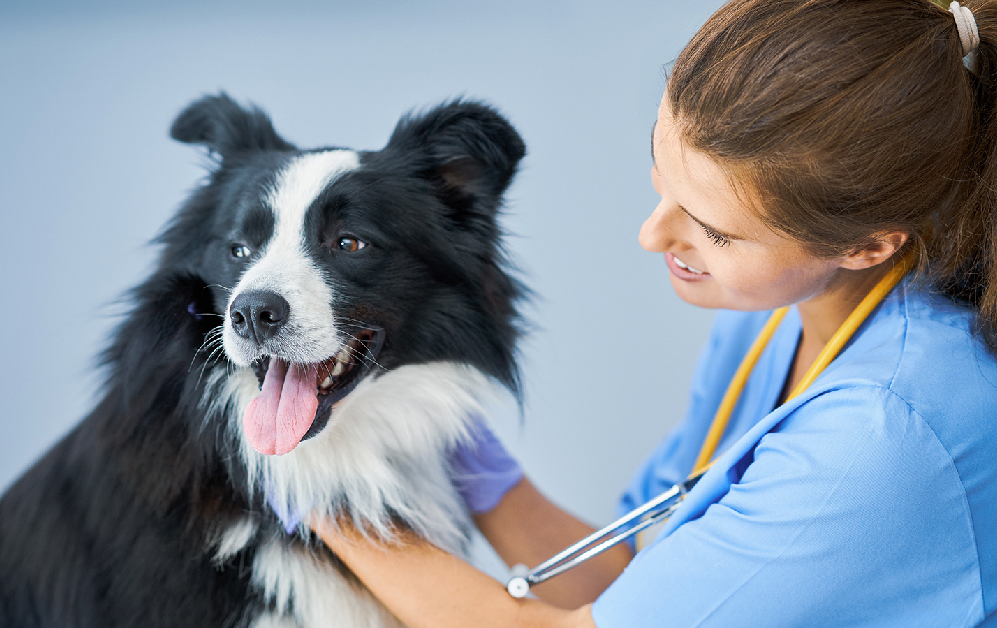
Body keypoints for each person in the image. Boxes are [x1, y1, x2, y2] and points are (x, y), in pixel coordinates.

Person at [308, 0, 997, 625]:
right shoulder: (771, 317)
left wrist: (314, 495)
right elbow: (636, 580)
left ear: (867, 245)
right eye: (660, 177)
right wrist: (470, 463)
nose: (653, 235)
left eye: (716, 232)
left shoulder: (883, 438)